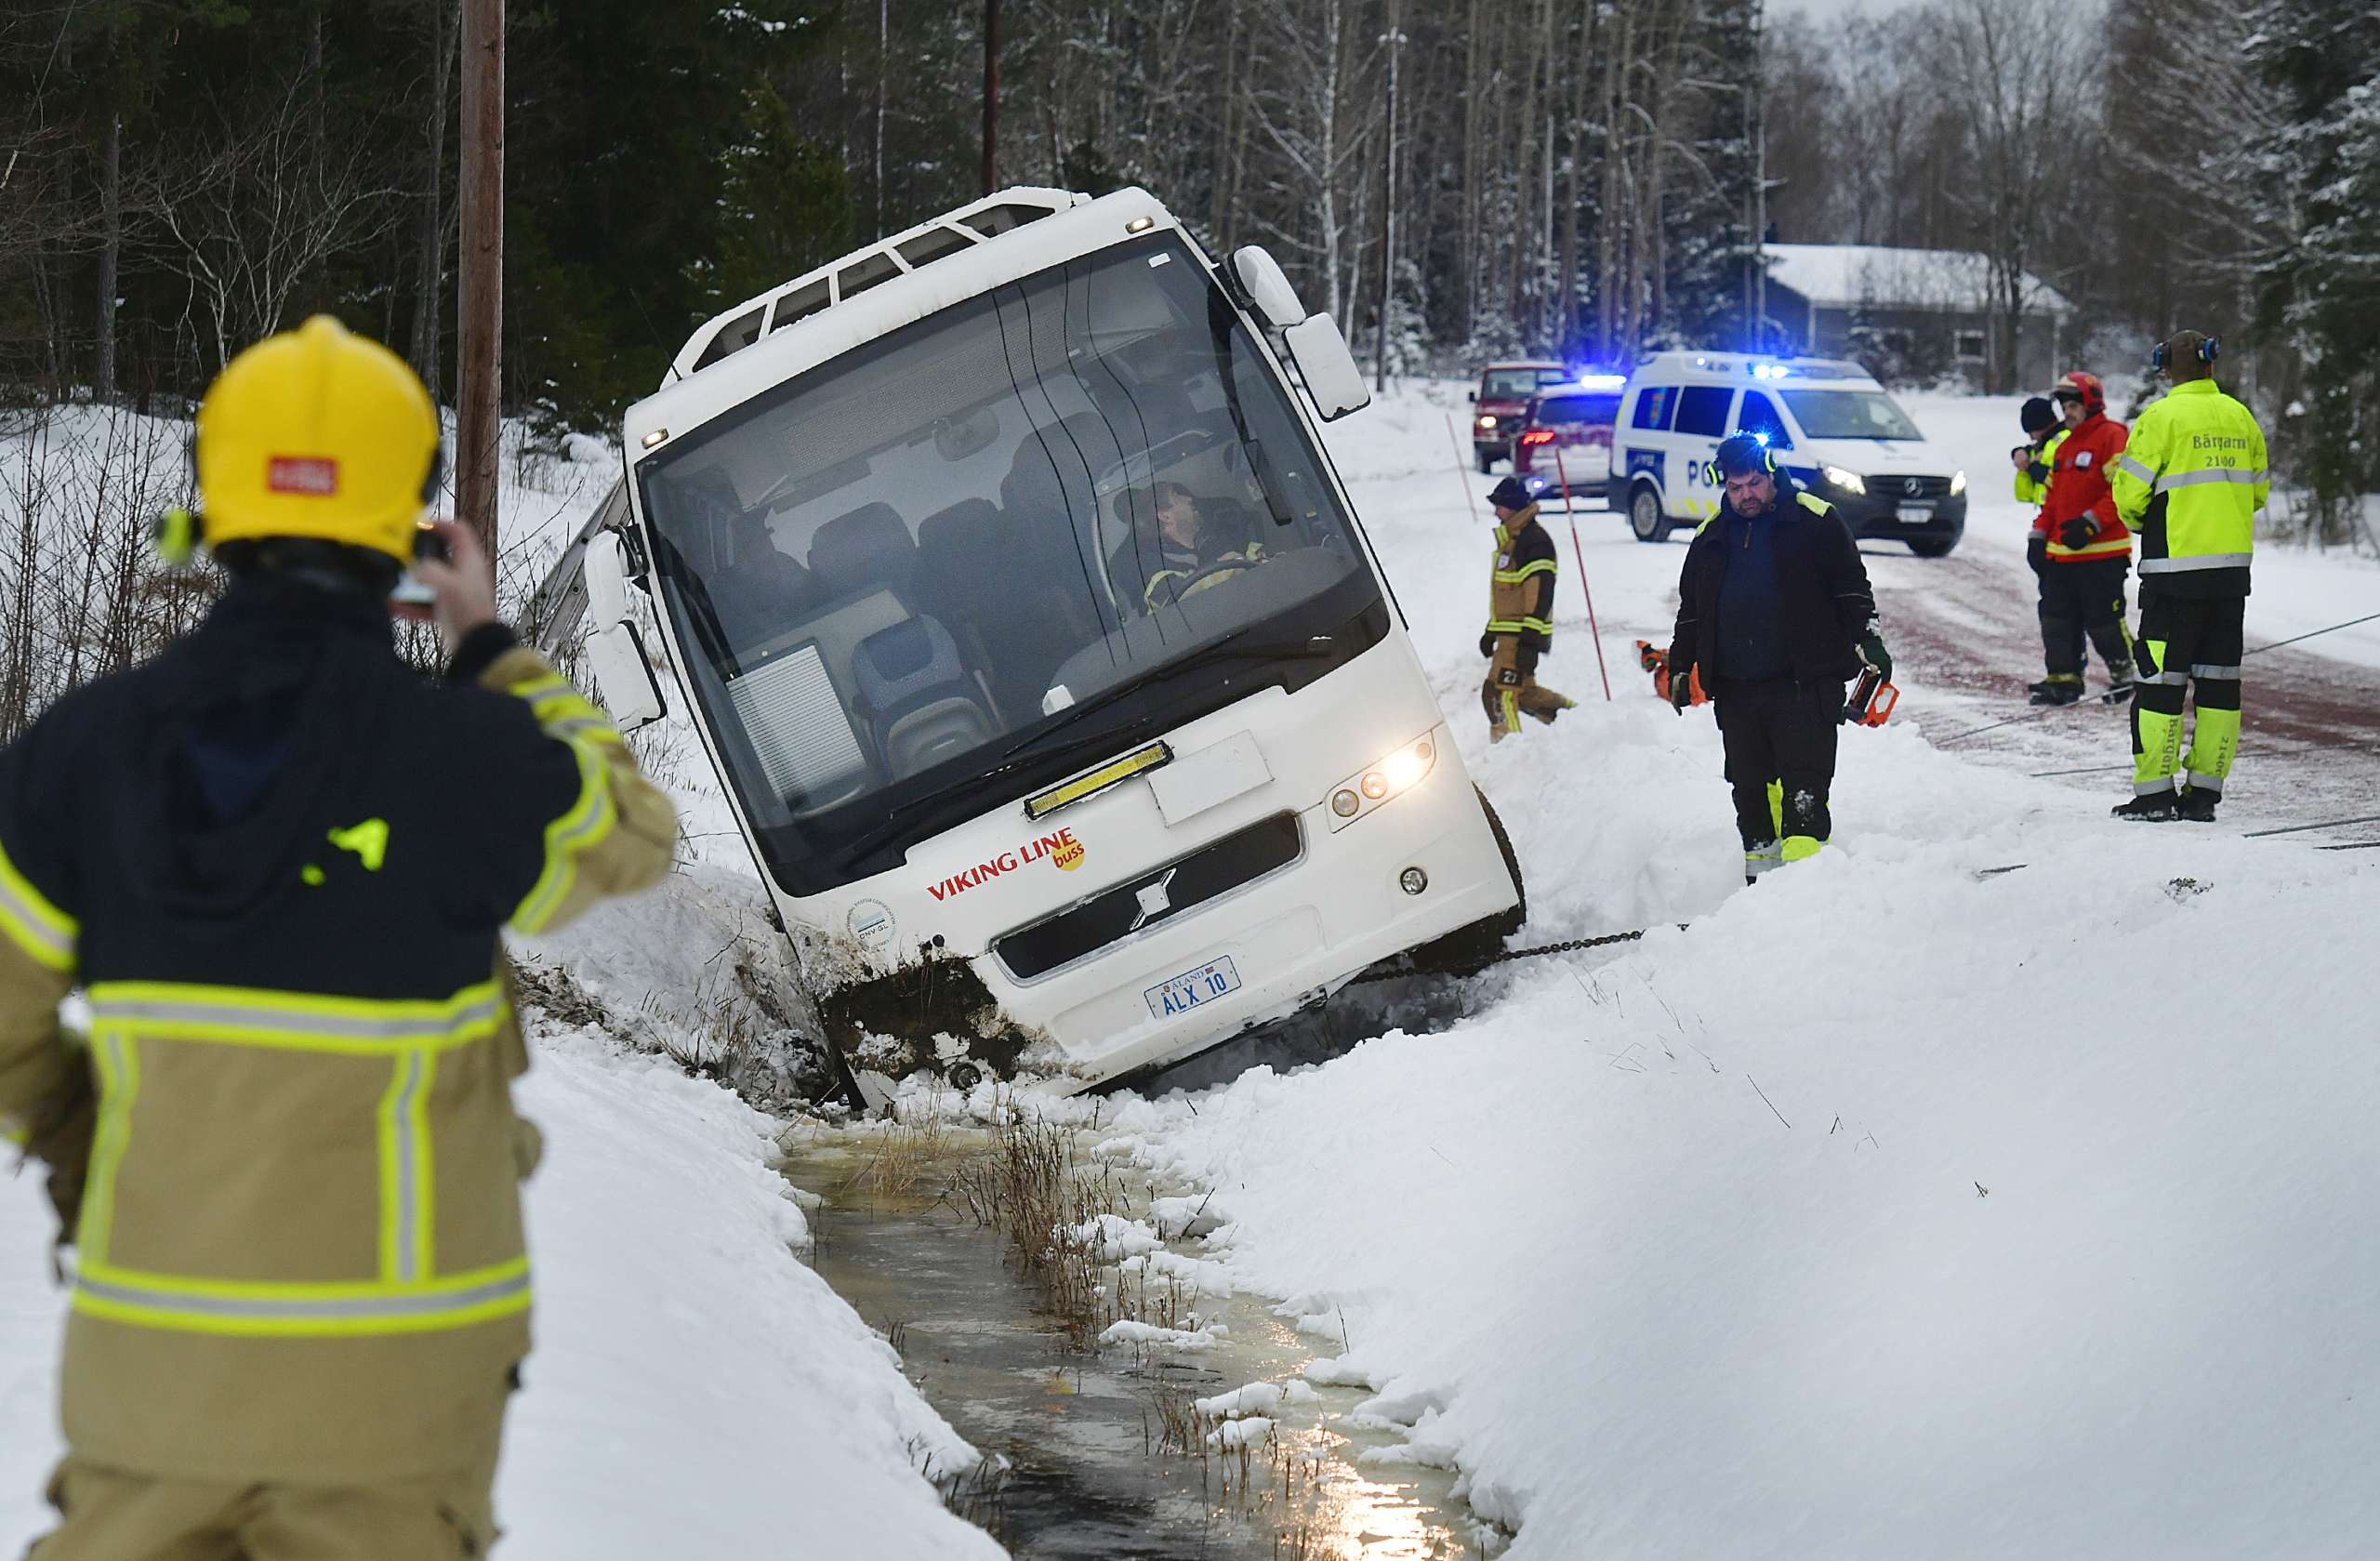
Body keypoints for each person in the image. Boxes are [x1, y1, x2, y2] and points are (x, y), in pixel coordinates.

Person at [0, 316, 676, 1557]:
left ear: (214, 518)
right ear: (412, 535)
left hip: (156, 1381)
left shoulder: (78, 757)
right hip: (395, 1399)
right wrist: (486, 643)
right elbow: (632, 828)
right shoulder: (469, 758)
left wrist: (86, 1145)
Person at [1667, 435, 1890, 882]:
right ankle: (1761, 891)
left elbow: (1852, 588)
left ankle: (1806, 892)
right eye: (1735, 487)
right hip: (1736, 689)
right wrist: (1679, 666)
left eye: (1754, 483)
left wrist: (1868, 640)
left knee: (1804, 788)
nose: (1746, 495)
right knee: (1751, 793)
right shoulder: (1710, 534)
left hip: (1804, 683)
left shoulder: (1815, 519)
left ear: (1772, 475)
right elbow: (1692, 611)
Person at [2106, 329, 2268, 822]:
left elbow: (2129, 497)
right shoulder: (2241, 417)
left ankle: (2155, 795)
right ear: (2211, 365)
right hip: (2230, 580)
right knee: (2220, 688)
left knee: (2159, 685)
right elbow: (2257, 494)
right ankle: (2204, 795)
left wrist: (2148, 523)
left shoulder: (2160, 418)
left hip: (2174, 578)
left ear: (2165, 369)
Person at [2027, 371, 2135, 705]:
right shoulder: (2064, 446)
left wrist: (2090, 524)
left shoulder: (2112, 436)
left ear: (2091, 404)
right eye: (2064, 407)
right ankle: (2063, 680)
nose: (2067, 413)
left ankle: (2128, 677)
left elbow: (2124, 490)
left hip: (2103, 553)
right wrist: (2038, 535)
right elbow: (2053, 498)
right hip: (2062, 556)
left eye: (2073, 406)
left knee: (2104, 621)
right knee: (2055, 618)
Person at [1477, 475, 1575, 741]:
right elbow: (1509, 597)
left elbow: (1540, 594)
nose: (1496, 511)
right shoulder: (1514, 540)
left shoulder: (1534, 541)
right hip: (1510, 636)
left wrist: (1530, 642)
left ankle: (1508, 750)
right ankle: (1580, 720)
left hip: (1521, 637)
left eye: (1500, 505)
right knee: (1526, 695)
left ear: (1514, 507)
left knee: (1498, 694)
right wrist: (1491, 632)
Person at [1112, 480, 1258, 613]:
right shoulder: (1146, 567)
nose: (1189, 499)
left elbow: (1261, 564)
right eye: (1177, 497)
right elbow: (1190, 608)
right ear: (1165, 517)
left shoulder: (1221, 525)